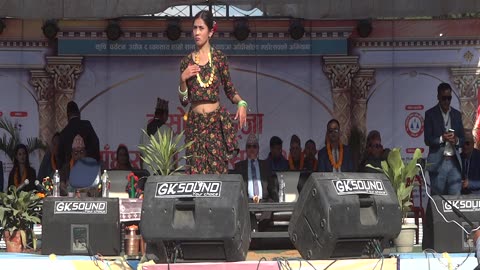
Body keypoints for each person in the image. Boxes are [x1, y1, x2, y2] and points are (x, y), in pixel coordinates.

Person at [179, 10, 247, 174]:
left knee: (217, 175)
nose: (196, 32)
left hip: (214, 125)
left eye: (201, 28)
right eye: (194, 28)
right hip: (195, 125)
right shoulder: (187, 62)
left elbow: (229, 90)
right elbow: (184, 100)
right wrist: (183, 79)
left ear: (210, 32)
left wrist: (242, 103)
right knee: (195, 176)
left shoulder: (219, 59)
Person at [424, 82, 464, 195]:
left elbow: (463, 140)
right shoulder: (430, 114)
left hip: (454, 163)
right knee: (438, 199)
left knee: (455, 200)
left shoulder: (456, 114)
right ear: (438, 97)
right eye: (444, 98)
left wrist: (455, 140)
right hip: (438, 164)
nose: (447, 101)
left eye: (449, 98)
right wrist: (442, 138)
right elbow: (427, 140)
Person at [234, 134, 278, 203]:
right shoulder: (239, 167)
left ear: (258, 149)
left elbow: (272, 187)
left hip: (264, 201)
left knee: (270, 205)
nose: (252, 149)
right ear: (246, 149)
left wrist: (273, 199)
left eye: (254, 146)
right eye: (249, 146)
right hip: (246, 202)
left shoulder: (266, 165)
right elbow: (236, 189)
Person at [57, 101, 100, 170]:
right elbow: (95, 145)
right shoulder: (87, 125)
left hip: (71, 172)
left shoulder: (63, 133)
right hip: (89, 169)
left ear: (67, 115)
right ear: (79, 113)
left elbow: (60, 159)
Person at [461, 130, 480, 194]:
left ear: (473, 143)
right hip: (461, 195)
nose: (465, 146)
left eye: (467, 143)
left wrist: (470, 184)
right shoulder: (459, 158)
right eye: (462, 143)